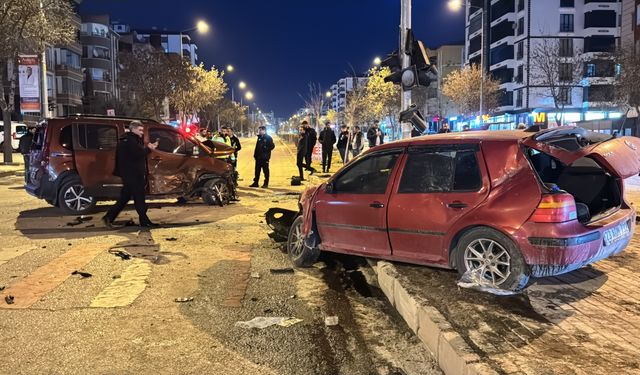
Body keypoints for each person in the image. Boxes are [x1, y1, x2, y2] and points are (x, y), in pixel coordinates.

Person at [103, 121, 159, 229]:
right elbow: (137, 154)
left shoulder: (130, 140)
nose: (142, 132)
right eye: (140, 130)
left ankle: (109, 217)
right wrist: (149, 149)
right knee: (139, 197)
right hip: (132, 174)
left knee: (125, 197)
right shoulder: (130, 141)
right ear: (133, 129)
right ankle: (144, 220)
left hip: (130, 174)